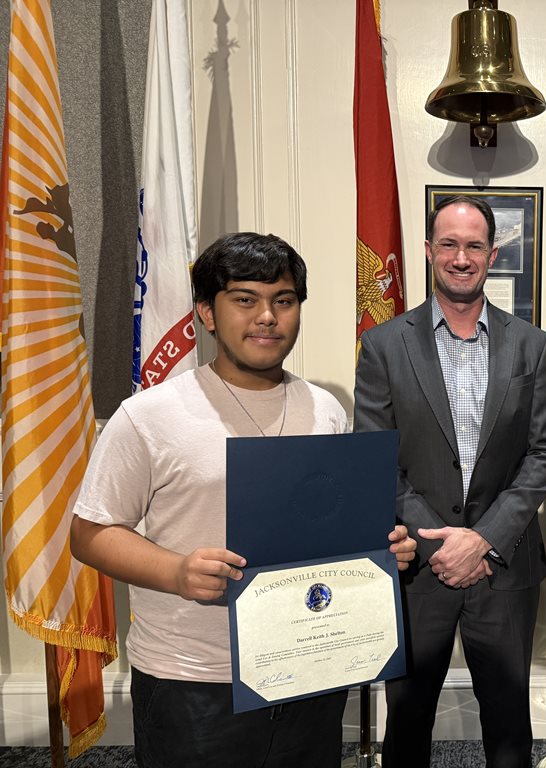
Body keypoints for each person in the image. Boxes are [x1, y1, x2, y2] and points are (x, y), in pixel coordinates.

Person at [70, 232, 416, 768]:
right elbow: (90, 534)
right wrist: (176, 571)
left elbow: (328, 524)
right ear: (207, 313)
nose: (267, 317)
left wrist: (381, 551)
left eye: (284, 300)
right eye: (245, 299)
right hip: (196, 679)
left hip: (310, 663)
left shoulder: (325, 409)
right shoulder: (149, 415)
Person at [354, 196, 546, 768]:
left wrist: (484, 538)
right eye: (448, 244)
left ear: (493, 254)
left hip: (505, 563)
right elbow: (376, 460)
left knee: (509, 724)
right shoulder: (383, 345)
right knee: (408, 720)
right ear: (429, 250)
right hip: (419, 564)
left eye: (474, 245)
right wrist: (441, 542)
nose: (461, 257)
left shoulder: (533, 345)